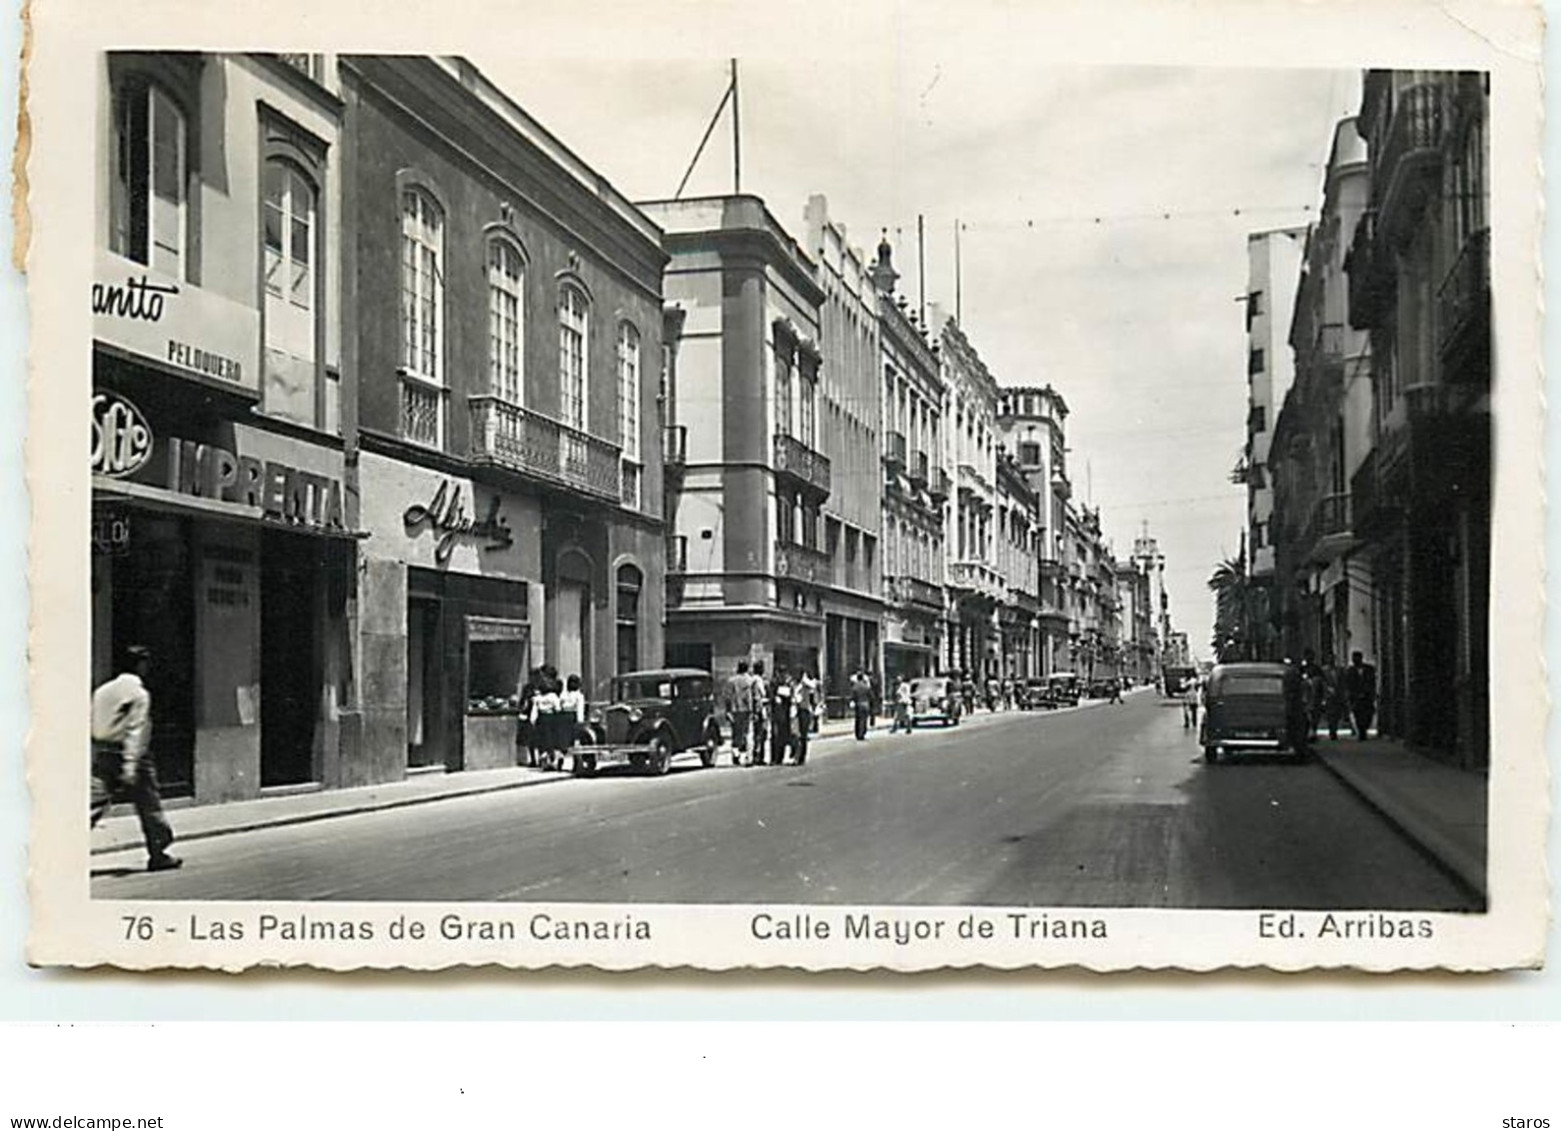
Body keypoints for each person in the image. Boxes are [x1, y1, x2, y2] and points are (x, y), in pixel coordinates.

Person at [91, 645, 180, 872]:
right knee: (150, 806)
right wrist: (130, 764)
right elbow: (136, 730)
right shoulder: (139, 694)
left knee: (92, 803)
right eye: (145, 663)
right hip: (132, 756)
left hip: (103, 752)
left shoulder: (102, 691)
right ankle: (158, 854)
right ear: (140, 664)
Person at [529, 667, 562, 771]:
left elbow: (534, 712)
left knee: (542, 739)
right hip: (551, 718)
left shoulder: (538, 698)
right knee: (552, 739)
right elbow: (558, 708)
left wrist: (533, 721)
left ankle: (543, 757)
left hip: (541, 719)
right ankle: (552, 759)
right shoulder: (553, 696)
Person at [726, 661, 755, 766]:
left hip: (734, 710)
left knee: (735, 734)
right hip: (746, 710)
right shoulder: (749, 681)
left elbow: (728, 697)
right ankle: (748, 756)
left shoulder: (731, 681)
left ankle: (735, 755)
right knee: (747, 733)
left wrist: (728, 711)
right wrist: (752, 710)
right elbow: (749, 697)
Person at [1344, 651, 1377, 740]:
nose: (1355, 660)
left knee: (1367, 714)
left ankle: (1364, 728)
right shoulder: (1350, 671)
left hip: (1367, 696)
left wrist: (1371, 693)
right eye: (1354, 659)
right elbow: (1348, 684)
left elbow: (1372, 682)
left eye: (1357, 658)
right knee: (1358, 715)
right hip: (1355, 697)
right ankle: (1362, 732)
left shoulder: (1369, 669)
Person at [559, 674, 587, 773]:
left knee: (564, 740)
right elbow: (580, 709)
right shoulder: (579, 696)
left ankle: (560, 761)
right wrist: (580, 721)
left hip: (563, 717)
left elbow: (559, 706)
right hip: (573, 718)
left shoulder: (563, 695)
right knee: (575, 741)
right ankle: (575, 764)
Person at [769, 666, 795, 766]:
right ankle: (775, 758)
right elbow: (771, 694)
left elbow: (792, 695)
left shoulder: (789, 682)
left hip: (785, 713)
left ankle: (780, 757)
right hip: (777, 712)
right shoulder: (774, 682)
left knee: (783, 735)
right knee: (775, 735)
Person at [793, 670, 819, 765]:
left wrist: (805, 678)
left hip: (804, 710)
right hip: (798, 711)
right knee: (797, 735)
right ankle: (797, 755)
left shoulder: (806, 685)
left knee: (803, 735)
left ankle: (801, 757)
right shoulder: (797, 685)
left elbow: (813, 686)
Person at [750, 660, 770, 765]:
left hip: (757, 709)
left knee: (758, 734)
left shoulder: (753, 679)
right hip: (760, 710)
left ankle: (757, 755)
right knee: (760, 733)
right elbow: (761, 695)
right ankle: (758, 756)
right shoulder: (757, 680)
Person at [1323, 662, 1349, 741]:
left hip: (1338, 695)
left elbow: (1343, 682)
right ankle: (1332, 731)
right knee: (1330, 714)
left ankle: (1335, 729)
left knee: (1337, 714)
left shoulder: (1340, 670)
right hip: (1329, 696)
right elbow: (1323, 682)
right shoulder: (1324, 671)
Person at [849, 668, 873, 741]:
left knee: (858, 719)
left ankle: (858, 733)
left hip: (858, 704)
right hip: (866, 704)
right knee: (864, 720)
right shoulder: (866, 687)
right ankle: (862, 733)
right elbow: (871, 696)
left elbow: (853, 696)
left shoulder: (855, 687)